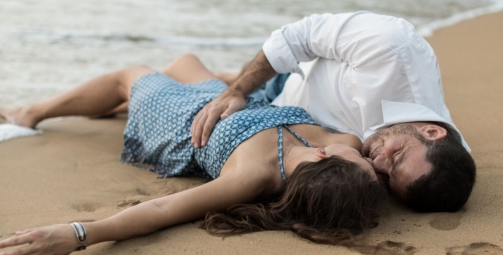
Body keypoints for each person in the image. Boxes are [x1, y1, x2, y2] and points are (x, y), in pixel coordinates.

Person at [0, 54, 386, 255]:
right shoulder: (344, 140)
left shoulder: (253, 175)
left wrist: (80, 234)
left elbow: (164, 208)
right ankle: (124, 106)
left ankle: (34, 112)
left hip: (182, 124)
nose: (371, 159)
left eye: (364, 163)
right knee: (185, 61)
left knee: (130, 73)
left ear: (322, 157)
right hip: (229, 103)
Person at [190, 12, 476, 212]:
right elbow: (295, 38)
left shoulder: (440, 171)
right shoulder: (390, 48)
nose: (377, 165)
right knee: (210, 83)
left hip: (285, 125)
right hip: (286, 85)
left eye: (387, 180)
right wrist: (237, 90)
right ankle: (225, 76)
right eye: (397, 155)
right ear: (432, 131)